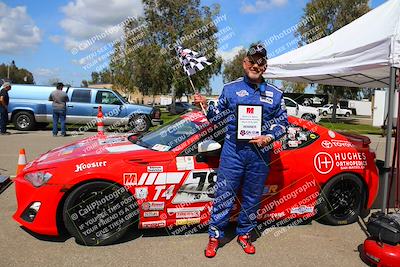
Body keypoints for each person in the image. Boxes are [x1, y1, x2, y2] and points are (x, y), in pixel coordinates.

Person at [194, 44, 288, 257]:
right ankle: (214, 236)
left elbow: (282, 123)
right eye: (252, 61)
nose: (255, 65)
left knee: (253, 197)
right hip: (233, 152)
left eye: (260, 62)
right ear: (245, 63)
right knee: (224, 195)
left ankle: (245, 234)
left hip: (259, 154)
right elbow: (216, 116)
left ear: (265, 66)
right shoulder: (230, 88)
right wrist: (204, 105)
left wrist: (269, 137)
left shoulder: (275, 93)